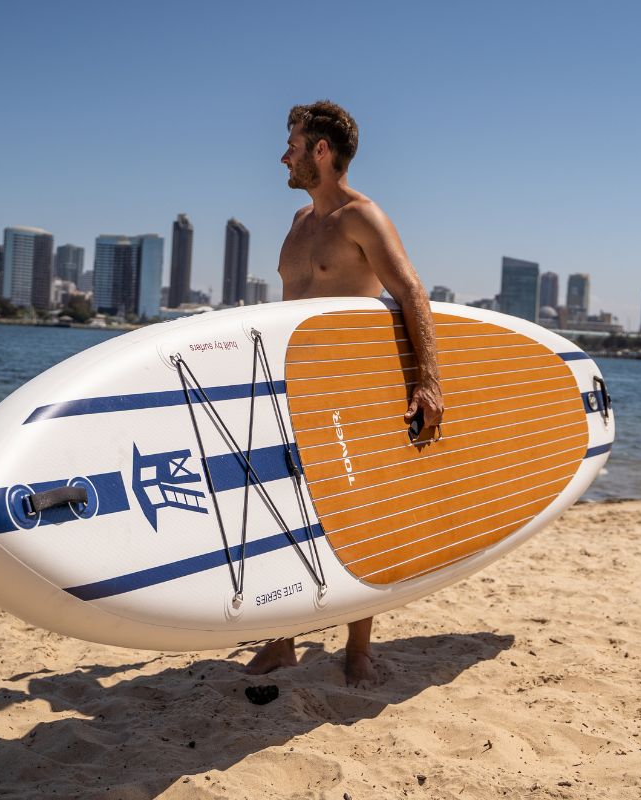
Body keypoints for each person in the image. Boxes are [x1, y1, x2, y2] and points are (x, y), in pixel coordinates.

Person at [244, 100, 445, 686]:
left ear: (321, 152)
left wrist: (428, 382)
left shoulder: (364, 218)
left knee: (360, 515)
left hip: (353, 387)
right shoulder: (297, 223)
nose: (285, 154)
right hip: (292, 387)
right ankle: (283, 641)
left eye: (293, 143)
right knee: (283, 510)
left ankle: (357, 649)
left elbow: (411, 293)